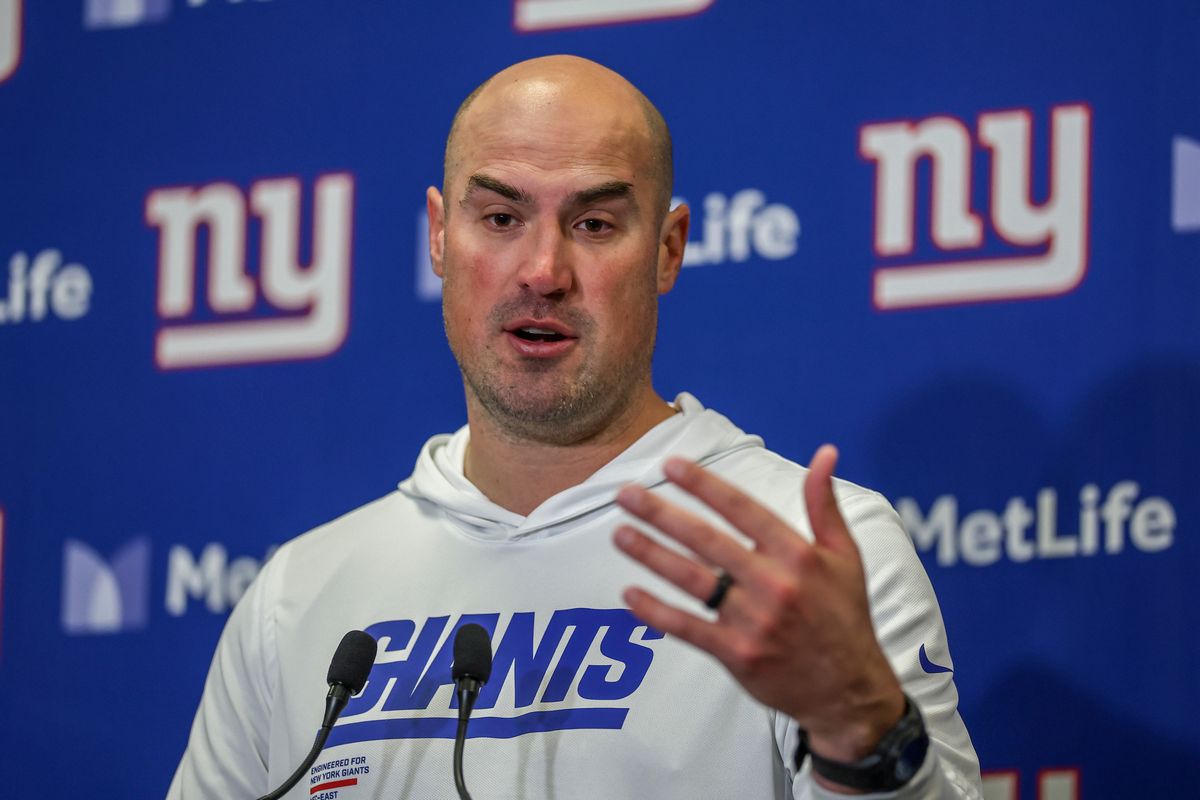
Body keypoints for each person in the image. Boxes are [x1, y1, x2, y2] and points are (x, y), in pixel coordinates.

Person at [167, 55, 981, 799]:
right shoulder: (298, 594)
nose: (543, 272)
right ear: (439, 236)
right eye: (500, 218)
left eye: (593, 225)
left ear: (668, 250)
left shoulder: (808, 556)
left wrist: (859, 728)